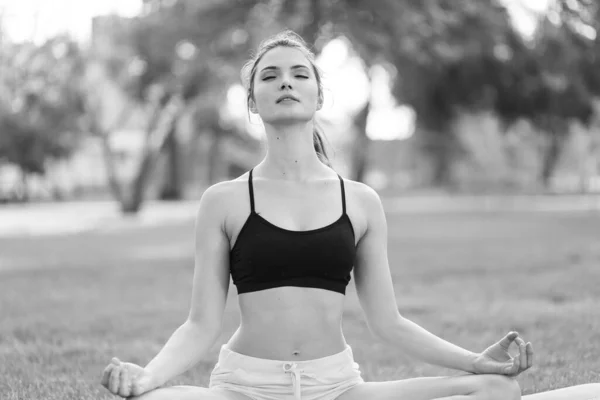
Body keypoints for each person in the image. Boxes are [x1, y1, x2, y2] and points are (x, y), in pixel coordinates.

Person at [101, 30, 600, 400]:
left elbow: (389, 322)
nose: (286, 82)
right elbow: (199, 324)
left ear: (319, 95)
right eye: (269, 76)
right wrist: (148, 376)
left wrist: (474, 362)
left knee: (496, 391)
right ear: (253, 102)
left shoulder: (359, 201)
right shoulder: (224, 200)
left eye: (299, 74)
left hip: (336, 387)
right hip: (244, 388)